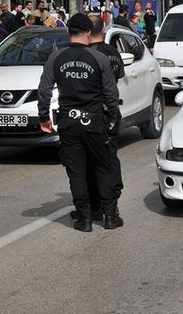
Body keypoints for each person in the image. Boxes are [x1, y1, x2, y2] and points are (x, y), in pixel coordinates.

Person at [37, 14, 122, 232]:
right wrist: (113, 117)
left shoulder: (56, 58)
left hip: (68, 123)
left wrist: (44, 117)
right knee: (104, 166)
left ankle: (84, 219)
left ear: (68, 32)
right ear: (88, 33)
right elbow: (111, 93)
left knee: (76, 170)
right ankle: (110, 216)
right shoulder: (98, 58)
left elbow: (44, 90)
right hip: (95, 121)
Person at [67, 15, 125, 223]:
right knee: (108, 161)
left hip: (92, 114)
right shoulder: (112, 53)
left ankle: (94, 207)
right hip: (108, 112)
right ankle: (110, 208)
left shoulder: (87, 56)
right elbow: (116, 79)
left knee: (90, 164)